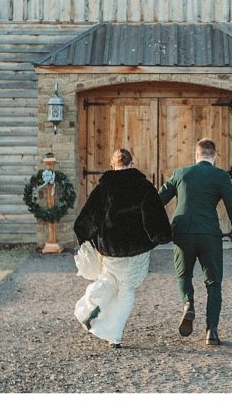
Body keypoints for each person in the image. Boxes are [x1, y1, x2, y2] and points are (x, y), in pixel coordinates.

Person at [73, 148, 172, 348]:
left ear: (112, 164)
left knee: (108, 280)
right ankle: (114, 336)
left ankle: (90, 306)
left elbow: (87, 217)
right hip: (136, 249)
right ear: (131, 163)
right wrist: (162, 235)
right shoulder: (143, 187)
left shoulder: (103, 188)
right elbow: (154, 216)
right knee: (126, 289)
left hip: (110, 247)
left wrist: (84, 236)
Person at [158, 138, 232, 346]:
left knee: (183, 275)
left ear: (196, 155)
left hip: (183, 233)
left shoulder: (181, 173)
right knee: (213, 283)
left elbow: (157, 200)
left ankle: (188, 303)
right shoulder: (221, 176)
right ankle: (211, 332)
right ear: (214, 156)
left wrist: (158, 229)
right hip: (209, 234)